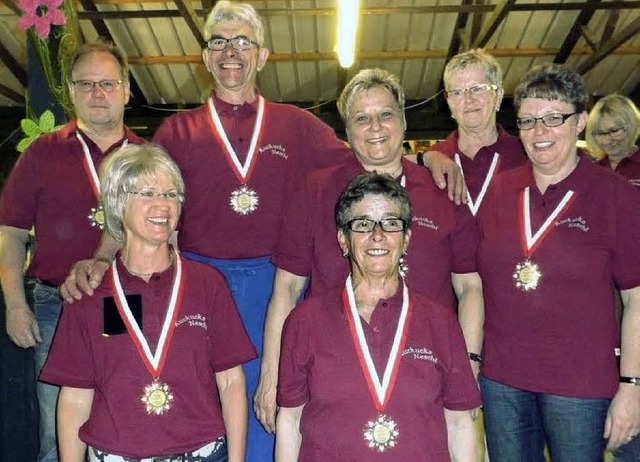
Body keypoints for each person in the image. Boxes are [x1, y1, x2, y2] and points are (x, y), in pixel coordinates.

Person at [59, 3, 464, 460]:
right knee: (177, 385)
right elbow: (136, 196)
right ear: (206, 57)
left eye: (242, 42)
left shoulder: (298, 125)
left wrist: (431, 158)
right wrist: (99, 258)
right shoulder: (178, 130)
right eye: (219, 42)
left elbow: (373, 152)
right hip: (193, 284)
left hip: (270, 285)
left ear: (263, 55)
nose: (231, 52)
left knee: (268, 399)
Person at [256, 68, 483, 435]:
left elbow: (470, 287)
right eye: (361, 118)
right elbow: (286, 289)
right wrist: (271, 377)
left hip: (426, 375)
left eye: (386, 114)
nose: (375, 126)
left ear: (405, 120)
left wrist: (468, 365)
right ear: (347, 131)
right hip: (334, 376)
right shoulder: (316, 190)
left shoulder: (443, 189)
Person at [40, 143, 256, 461]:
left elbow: (231, 381)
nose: (163, 205)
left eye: (171, 195)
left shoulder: (206, 284)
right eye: (147, 194)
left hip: (202, 453)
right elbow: (75, 397)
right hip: (115, 454)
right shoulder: (90, 292)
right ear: (117, 204)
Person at [475, 64, 640, 461]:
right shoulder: (499, 191)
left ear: (580, 121)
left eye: (554, 118)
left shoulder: (616, 197)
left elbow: (637, 299)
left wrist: (632, 385)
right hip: (503, 381)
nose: (539, 132)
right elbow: (475, 282)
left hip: (579, 385)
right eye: (528, 121)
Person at [0, 42, 143, 462]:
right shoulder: (43, 151)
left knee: (121, 410)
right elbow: (9, 234)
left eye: (107, 84)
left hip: (122, 301)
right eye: (86, 84)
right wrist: (14, 306)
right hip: (53, 303)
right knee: (57, 427)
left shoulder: (144, 158)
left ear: (126, 89)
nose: (98, 93)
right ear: (69, 90)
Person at [276, 171, 481, 461]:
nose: (378, 235)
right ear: (343, 240)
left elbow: (460, 424)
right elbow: (290, 420)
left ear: (406, 238)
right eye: (362, 224)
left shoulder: (441, 322)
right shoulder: (305, 321)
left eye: (391, 223)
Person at [425, 49, 527, 216]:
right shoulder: (431, 161)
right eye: (457, 92)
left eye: (477, 89)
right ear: (449, 102)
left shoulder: (526, 156)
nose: (468, 99)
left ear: (498, 96)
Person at [586, 94, 640, 187]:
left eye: (614, 131)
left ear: (632, 125)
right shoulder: (591, 170)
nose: (607, 140)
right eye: (600, 133)